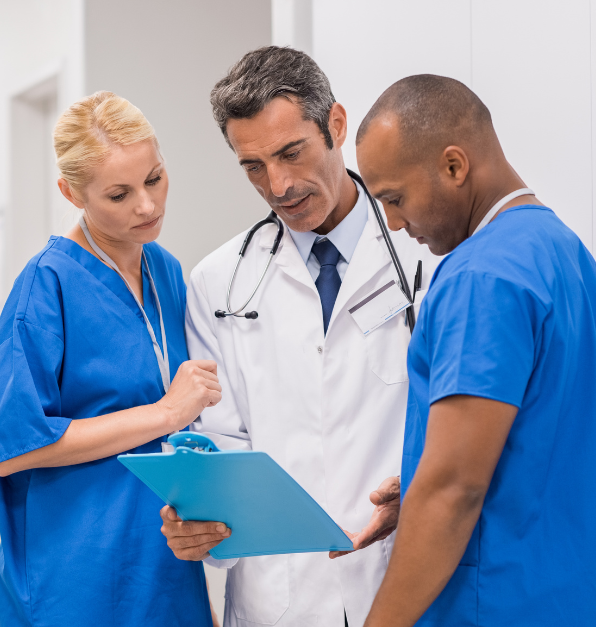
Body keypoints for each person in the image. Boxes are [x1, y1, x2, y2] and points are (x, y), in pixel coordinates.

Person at [353, 75, 596, 626]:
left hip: (504, 604)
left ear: (454, 166)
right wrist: (418, 480)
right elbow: (543, 438)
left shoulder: (479, 277)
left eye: (395, 198)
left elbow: (453, 490)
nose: (393, 222)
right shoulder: (562, 253)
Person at [159, 46, 435, 627]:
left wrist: (422, 486)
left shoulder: (424, 252)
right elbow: (219, 443)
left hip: (402, 577)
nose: (278, 185)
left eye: (291, 153)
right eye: (253, 166)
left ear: (335, 124)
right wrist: (198, 519)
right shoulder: (220, 281)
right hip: (278, 597)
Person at [0, 91, 223, 626]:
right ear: (72, 193)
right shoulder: (48, 283)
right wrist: (164, 414)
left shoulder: (167, 273)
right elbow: (12, 447)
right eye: (119, 193)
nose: (147, 206)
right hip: (76, 578)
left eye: (154, 179)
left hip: (164, 571)